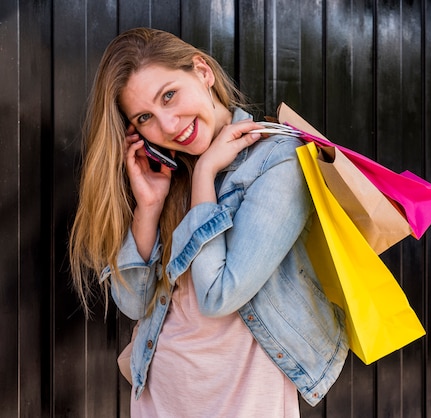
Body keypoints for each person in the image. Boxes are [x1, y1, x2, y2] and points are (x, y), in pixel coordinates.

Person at [69, 27, 348, 417]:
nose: (167, 126)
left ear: (202, 71)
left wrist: (204, 179)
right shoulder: (167, 173)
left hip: (246, 396)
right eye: (146, 117)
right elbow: (133, 304)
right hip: (161, 394)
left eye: (169, 95)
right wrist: (149, 207)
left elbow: (220, 295)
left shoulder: (278, 159)